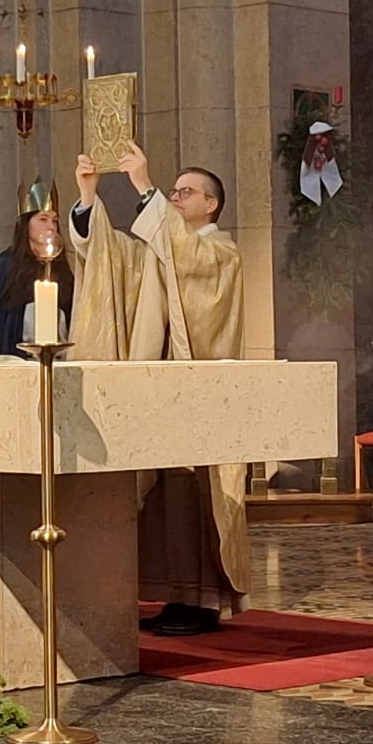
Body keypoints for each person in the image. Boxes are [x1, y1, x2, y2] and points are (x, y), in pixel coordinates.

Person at [68, 141, 246, 636]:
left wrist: (145, 187)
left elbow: (187, 260)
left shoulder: (221, 252)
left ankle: (202, 601)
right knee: (163, 492)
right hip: (158, 386)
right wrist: (89, 198)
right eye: (173, 191)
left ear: (212, 204)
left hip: (199, 392)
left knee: (194, 493)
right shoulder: (161, 248)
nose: (175, 198)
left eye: (186, 193)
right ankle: (174, 593)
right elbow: (110, 255)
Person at [0, 180, 73, 357]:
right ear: (26, 224)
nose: (51, 227)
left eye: (54, 220)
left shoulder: (61, 267)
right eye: (43, 219)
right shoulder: (5, 267)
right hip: (17, 359)